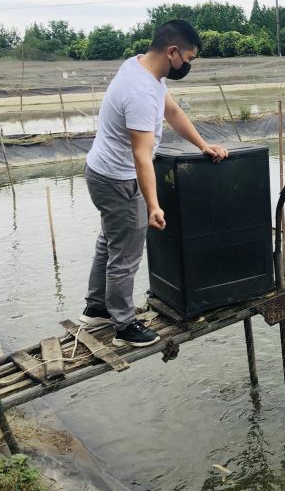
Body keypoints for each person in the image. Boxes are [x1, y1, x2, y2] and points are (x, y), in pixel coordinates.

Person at [80, 20, 228, 347]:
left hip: (103, 172)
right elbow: (142, 156)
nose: (188, 65)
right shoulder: (141, 92)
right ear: (172, 52)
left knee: (111, 239)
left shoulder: (141, 68)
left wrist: (202, 145)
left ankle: (96, 306)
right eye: (188, 59)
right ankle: (123, 326)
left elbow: (173, 112)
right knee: (126, 253)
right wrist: (153, 205)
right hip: (117, 180)